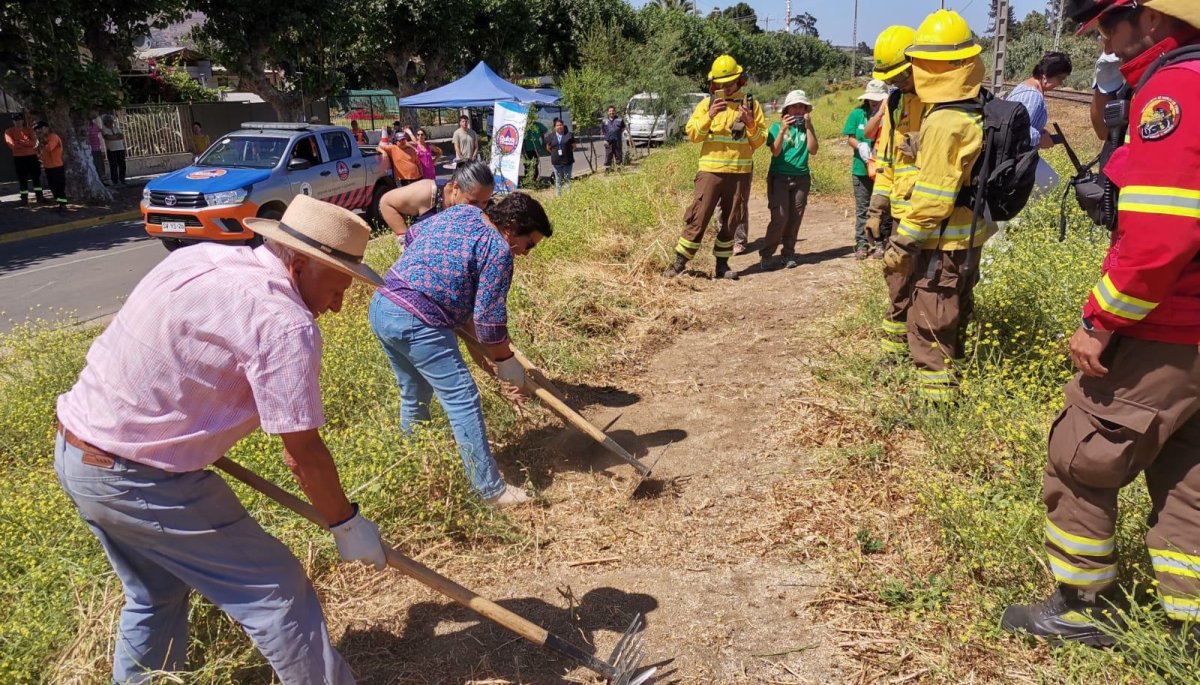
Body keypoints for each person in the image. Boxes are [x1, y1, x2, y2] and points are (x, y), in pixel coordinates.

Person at [54, 195, 388, 684]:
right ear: (299, 262)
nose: (339, 305)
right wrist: (346, 523)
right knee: (277, 591)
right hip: (138, 478)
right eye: (339, 285)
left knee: (156, 595)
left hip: (79, 451)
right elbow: (303, 454)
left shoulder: (199, 255)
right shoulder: (283, 322)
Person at [1002, 0, 1200, 647]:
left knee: (1081, 454)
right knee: (1187, 470)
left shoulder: (1176, 88)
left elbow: (1158, 239)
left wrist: (1101, 319)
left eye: (1113, 26)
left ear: (1154, 18)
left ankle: (1083, 606)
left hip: (1169, 324)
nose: (1107, 45)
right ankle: (1187, 623)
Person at [368, 193, 553, 507]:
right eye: (528, 244)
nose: (525, 253)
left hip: (384, 305)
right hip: (419, 319)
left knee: (414, 392)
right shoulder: (498, 249)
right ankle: (490, 491)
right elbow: (488, 322)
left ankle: (417, 466)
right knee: (463, 398)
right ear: (511, 226)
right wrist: (506, 362)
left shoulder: (464, 213)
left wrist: (440, 288)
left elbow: (413, 238)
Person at [882, 9, 993, 403]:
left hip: (941, 244)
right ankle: (955, 387)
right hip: (968, 238)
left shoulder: (945, 120)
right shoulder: (976, 104)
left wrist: (903, 243)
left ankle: (937, 408)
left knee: (930, 324)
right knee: (955, 315)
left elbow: (933, 198)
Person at [665, 54, 766, 281]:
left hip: (739, 173)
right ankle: (679, 263)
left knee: (732, 220)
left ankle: (722, 265)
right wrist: (709, 116)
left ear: (739, 80)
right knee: (698, 217)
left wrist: (750, 123)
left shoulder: (751, 105)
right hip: (710, 172)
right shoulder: (706, 104)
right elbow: (693, 135)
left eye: (729, 83)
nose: (725, 88)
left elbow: (759, 142)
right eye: (720, 84)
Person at [869, 25, 926, 358]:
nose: (897, 82)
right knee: (897, 285)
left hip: (934, 215)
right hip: (902, 216)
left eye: (901, 74)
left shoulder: (942, 100)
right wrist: (877, 208)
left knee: (931, 291)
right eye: (891, 78)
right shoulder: (894, 102)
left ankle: (922, 351)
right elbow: (887, 161)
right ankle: (894, 354)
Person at [761, 89, 819, 269]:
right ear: (787, 110)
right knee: (780, 216)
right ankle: (767, 254)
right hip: (779, 177)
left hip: (801, 177)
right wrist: (783, 130)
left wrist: (809, 127)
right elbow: (776, 151)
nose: (798, 110)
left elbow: (813, 149)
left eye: (801, 107)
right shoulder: (777, 128)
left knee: (795, 217)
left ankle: (788, 253)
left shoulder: (806, 127)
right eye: (794, 107)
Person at [1007, 52, 1074, 196]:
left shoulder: (1029, 89)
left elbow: (1023, 121)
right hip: (1015, 158)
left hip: (1017, 155)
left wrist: (1041, 131)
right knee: (1050, 181)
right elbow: (1016, 130)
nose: (1060, 83)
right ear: (1046, 74)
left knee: (1048, 181)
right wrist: (1039, 138)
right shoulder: (1032, 95)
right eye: (1060, 78)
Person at [378, 160, 495, 238]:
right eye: (473, 202)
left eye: (484, 202)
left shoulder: (487, 208)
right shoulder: (428, 193)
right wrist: (405, 240)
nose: (479, 208)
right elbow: (386, 202)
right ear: (456, 188)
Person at [844, 80, 889, 260]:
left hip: (882, 171)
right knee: (862, 209)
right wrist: (860, 146)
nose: (873, 102)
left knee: (881, 208)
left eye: (877, 99)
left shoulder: (890, 115)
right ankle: (862, 244)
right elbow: (851, 137)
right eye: (871, 99)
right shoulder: (857, 114)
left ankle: (881, 244)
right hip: (861, 169)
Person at [5, 112, 42, 205]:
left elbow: (34, 143)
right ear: (13, 121)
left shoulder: (29, 130)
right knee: (22, 179)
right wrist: (26, 142)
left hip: (32, 157)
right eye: (16, 120)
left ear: (23, 120)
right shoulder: (8, 132)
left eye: (19, 120)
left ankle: (40, 197)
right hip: (19, 158)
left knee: (36, 177)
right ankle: (24, 199)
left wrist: (20, 142)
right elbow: (12, 145)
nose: (18, 122)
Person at [34, 121, 66, 212]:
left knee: (59, 187)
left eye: (41, 128)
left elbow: (49, 148)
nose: (39, 130)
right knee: (53, 187)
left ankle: (63, 205)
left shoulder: (53, 137)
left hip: (57, 166)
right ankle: (59, 203)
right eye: (38, 129)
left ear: (47, 127)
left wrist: (41, 140)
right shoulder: (41, 139)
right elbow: (38, 152)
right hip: (48, 167)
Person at [545, 118, 575, 196]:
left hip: (567, 161)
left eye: (561, 125)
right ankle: (559, 197)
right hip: (556, 162)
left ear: (563, 125)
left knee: (567, 180)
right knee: (558, 180)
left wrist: (567, 152)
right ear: (555, 127)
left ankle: (568, 197)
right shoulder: (550, 136)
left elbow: (574, 146)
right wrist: (554, 154)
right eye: (557, 125)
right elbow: (548, 148)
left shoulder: (569, 135)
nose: (559, 127)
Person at [101, 114, 127, 186]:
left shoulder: (116, 128)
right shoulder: (104, 129)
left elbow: (121, 136)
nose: (112, 123)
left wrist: (114, 137)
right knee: (113, 165)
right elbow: (108, 137)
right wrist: (116, 136)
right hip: (111, 150)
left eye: (112, 121)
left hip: (120, 148)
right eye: (110, 121)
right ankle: (115, 180)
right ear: (106, 122)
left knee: (122, 164)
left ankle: (122, 179)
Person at [601, 105, 625, 170]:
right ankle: (607, 170)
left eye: (613, 111)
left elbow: (623, 128)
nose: (611, 112)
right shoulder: (604, 121)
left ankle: (619, 169)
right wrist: (605, 139)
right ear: (608, 112)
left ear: (615, 111)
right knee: (608, 156)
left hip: (617, 141)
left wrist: (617, 134)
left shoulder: (620, 120)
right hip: (608, 142)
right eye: (610, 111)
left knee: (618, 155)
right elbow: (603, 130)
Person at [86, 116, 108, 183]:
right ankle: (98, 180)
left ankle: (102, 180)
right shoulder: (86, 127)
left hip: (98, 148)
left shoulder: (95, 125)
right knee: (95, 165)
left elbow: (100, 131)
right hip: (91, 149)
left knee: (100, 165)